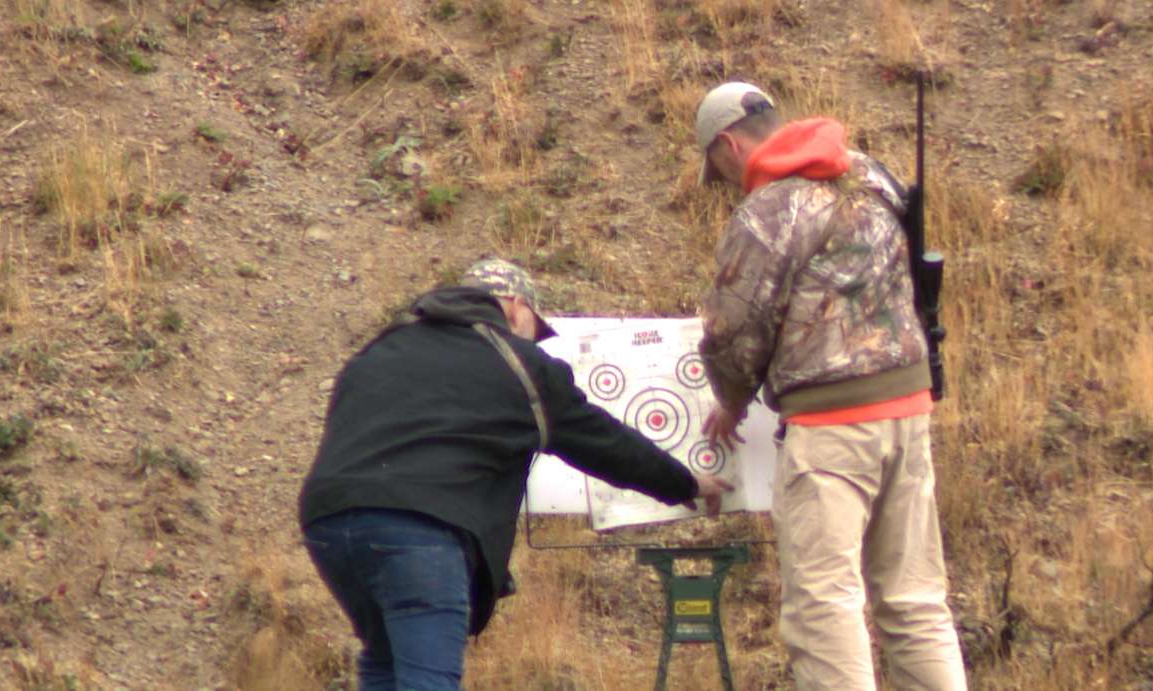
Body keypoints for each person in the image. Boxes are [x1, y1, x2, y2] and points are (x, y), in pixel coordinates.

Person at [298, 258, 734, 691]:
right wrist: (686, 483)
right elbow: (604, 444)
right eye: (535, 327)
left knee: (384, 662)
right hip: (421, 530)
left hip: (330, 525)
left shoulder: (383, 347)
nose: (535, 340)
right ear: (514, 305)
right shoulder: (516, 361)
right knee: (427, 680)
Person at [693, 82, 968, 690]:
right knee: (915, 600)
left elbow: (730, 332)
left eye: (717, 169)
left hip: (832, 427)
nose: (727, 185)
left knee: (824, 605)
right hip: (910, 409)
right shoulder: (872, 175)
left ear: (729, 145)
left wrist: (731, 401)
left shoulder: (769, 210)